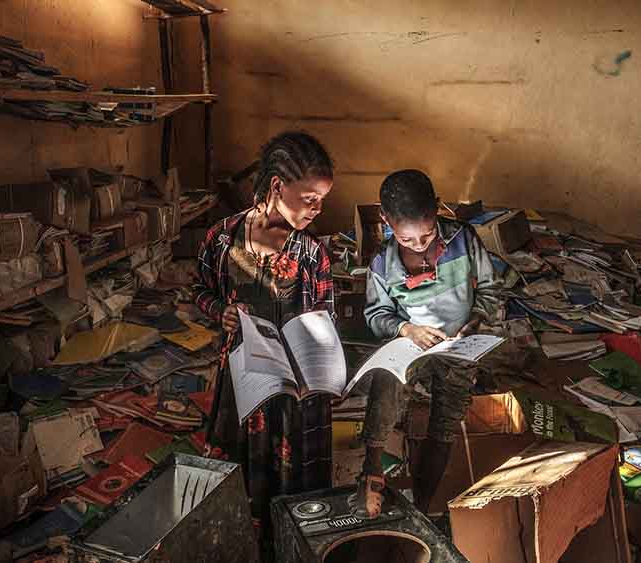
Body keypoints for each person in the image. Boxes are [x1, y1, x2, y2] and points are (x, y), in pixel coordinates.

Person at [193, 131, 336, 549]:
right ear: (277, 185)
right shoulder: (222, 238)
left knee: (293, 488)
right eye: (310, 198)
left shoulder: (312, 253)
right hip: (242, 385)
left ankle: (287, 551)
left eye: (322, 199)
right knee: (240, 481)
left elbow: (325, 320)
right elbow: (199, 290)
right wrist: (218, 311)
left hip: (296, 393)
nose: (318, 209)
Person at [354, 169, 501, 517]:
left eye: (428, 234)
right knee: (387, 383)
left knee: (448, 417)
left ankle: (424, 502)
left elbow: (492, 289)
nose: (419, 245)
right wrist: (406, 329)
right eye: (407, 239)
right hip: (413, 344)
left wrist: (476, 318)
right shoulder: (382, 264)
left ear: (437, 209)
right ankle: (371, 468)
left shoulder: (464, 240)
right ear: (386, 221)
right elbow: (376, 315)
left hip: (459, 344)